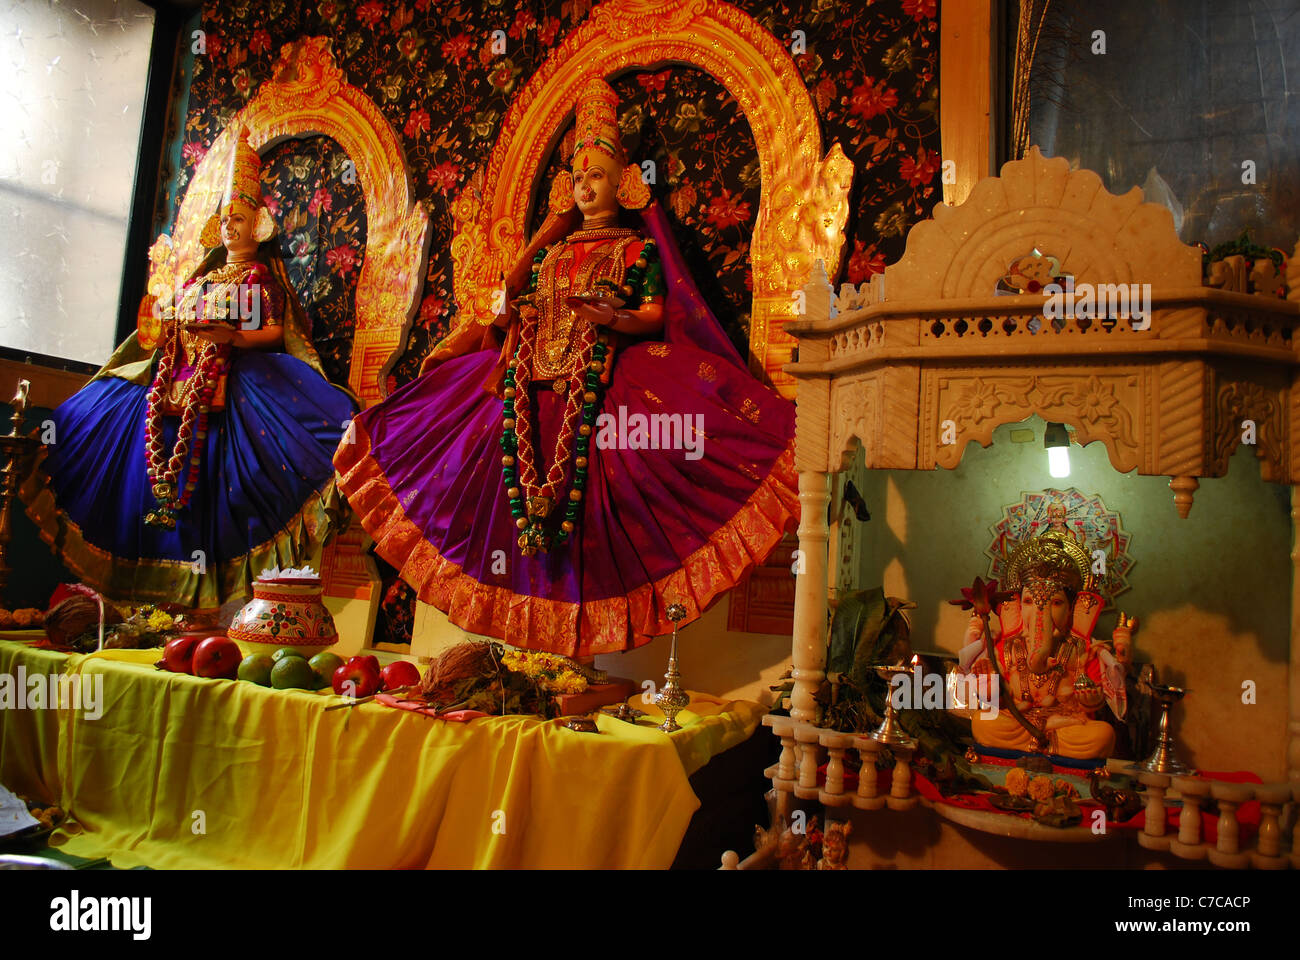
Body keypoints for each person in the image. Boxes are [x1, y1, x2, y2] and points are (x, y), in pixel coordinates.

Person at [335, 79, 798, 658]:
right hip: (526, 385)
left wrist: (615, 316)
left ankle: (585, 646)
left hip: (606, 383)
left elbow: (655, 315)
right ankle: (531, 648)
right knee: (471, 473)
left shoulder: (636, 249)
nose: (585, 187)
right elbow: (505, 305)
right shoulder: (550, 252)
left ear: (624, 182)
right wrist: (525, 289)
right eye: (577, 178)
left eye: (597, 176)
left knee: (617, 496)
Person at [22, 129, 356, 613]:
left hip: (235, 381)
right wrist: (169, 327)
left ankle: (212, 602)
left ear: (258, 226)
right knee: (99, 425)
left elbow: (275, 332)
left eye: (238, 220)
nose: (228, 229)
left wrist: (234, 338)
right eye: (224, 221)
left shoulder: (260, 277)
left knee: (225, 484)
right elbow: (168, 323)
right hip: (176, 380)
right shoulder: (201, 277)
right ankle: (150, 594)